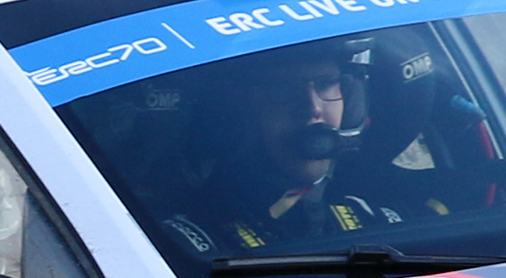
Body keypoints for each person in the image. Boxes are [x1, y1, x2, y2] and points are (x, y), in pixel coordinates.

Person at [151, 44, 405, 261]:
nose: (312, 108)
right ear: (238, 116)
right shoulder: (193, 246)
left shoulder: (374, 221)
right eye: (282, 90)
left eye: (326, 84)